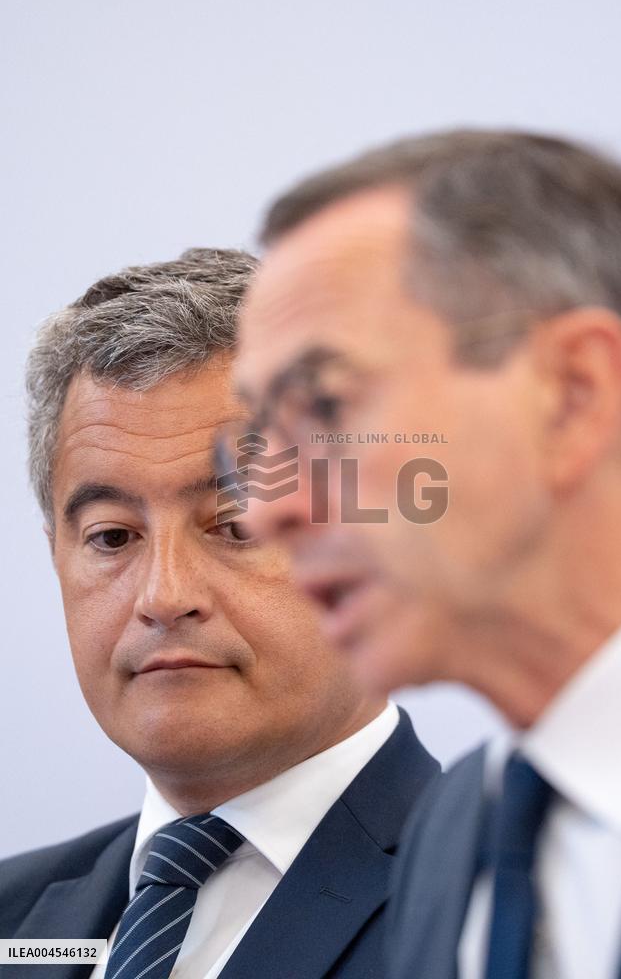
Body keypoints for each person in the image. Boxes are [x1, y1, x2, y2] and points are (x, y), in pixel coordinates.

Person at [233, 131, 621, 978]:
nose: (266, 509)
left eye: (325, 402)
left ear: (574, 394)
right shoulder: (452, 828)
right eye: (258, 437)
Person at [0, 248, 438, 979]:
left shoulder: (513, 907)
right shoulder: (16, 920)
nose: (163, 596)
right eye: (112, 537)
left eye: (236, 526)